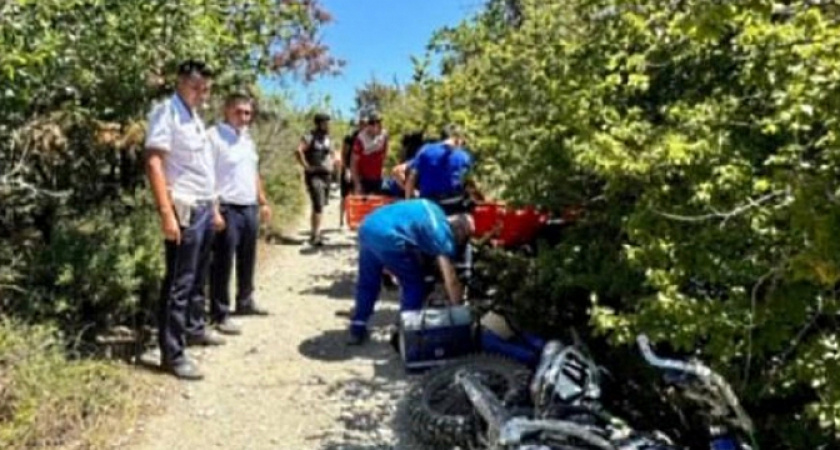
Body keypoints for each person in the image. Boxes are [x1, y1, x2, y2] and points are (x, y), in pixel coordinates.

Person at [144, 60, 223, 381]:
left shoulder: (195, 118)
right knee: (179, 282)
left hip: (204, 207)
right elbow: (154, 161)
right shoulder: (167, 112)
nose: (201, 94)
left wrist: (215, 208)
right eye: (195, 87)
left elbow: (203, 169)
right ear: (180, 83)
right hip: (184, 210)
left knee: (197, 277)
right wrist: (166, 213)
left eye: (205, 89)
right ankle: (172, 354)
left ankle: (193, 329)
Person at [348, 199, 475, 345]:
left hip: (368, 226)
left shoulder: (433, 207)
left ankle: (357, 327)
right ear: (459, 233)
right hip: (389, 238)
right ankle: (405, 332)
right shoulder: (442, 236)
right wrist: (458, 309)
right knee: (414, 285)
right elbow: (450, 280)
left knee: (368, 282)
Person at [207, 92, 271, 338]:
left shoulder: (247, 139)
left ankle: (245, 300)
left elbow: (253, 172)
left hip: (249, 206)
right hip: (227, 207)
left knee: (248, 257)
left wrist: (262, 201)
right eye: (239, 112)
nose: (244, 117)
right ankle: (220, 313)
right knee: (223, 262)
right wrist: (214, 209)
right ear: (227, 110)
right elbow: (208, 174)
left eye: (248, 113)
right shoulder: (214, 137)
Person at [405, 124, 474, 214]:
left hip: (428, 205)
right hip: (452, 206)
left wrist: (409, 202)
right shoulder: (464, 156)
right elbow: (469, 186)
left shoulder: (425, 150)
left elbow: (411, 178)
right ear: (457, 138)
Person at [296, 112, 336, 246]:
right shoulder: (309, 137)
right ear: (319, 124)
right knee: (318, 204)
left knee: (320, 205)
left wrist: (335, 162)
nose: (329, 125)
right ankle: (316, 236)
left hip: (327, 175)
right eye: (326, 122)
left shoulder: (328, 138)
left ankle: (314, 232)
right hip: (314, 175)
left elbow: (332, 153)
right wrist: (306, 166)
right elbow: (298, 151)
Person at [351, 112, 389, 195]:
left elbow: (385, 152)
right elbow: (353, 163)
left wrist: (384, 167)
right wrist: (357, 183)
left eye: (380, 123)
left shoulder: (384, 135)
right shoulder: (360, 139)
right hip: (363, 178)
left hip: (378, 177)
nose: (380, 126)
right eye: (377, 124)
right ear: (370, 126)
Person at [339, 116, 363, 228]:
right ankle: (341, 220)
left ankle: (355, 220)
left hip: (361, 170)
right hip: (348, 169)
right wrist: (346, 169)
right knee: (345, 195)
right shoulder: (350, 137)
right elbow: (343, 154)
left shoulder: (368, 138)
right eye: (362, 123)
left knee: (358, 195)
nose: (364, 125)